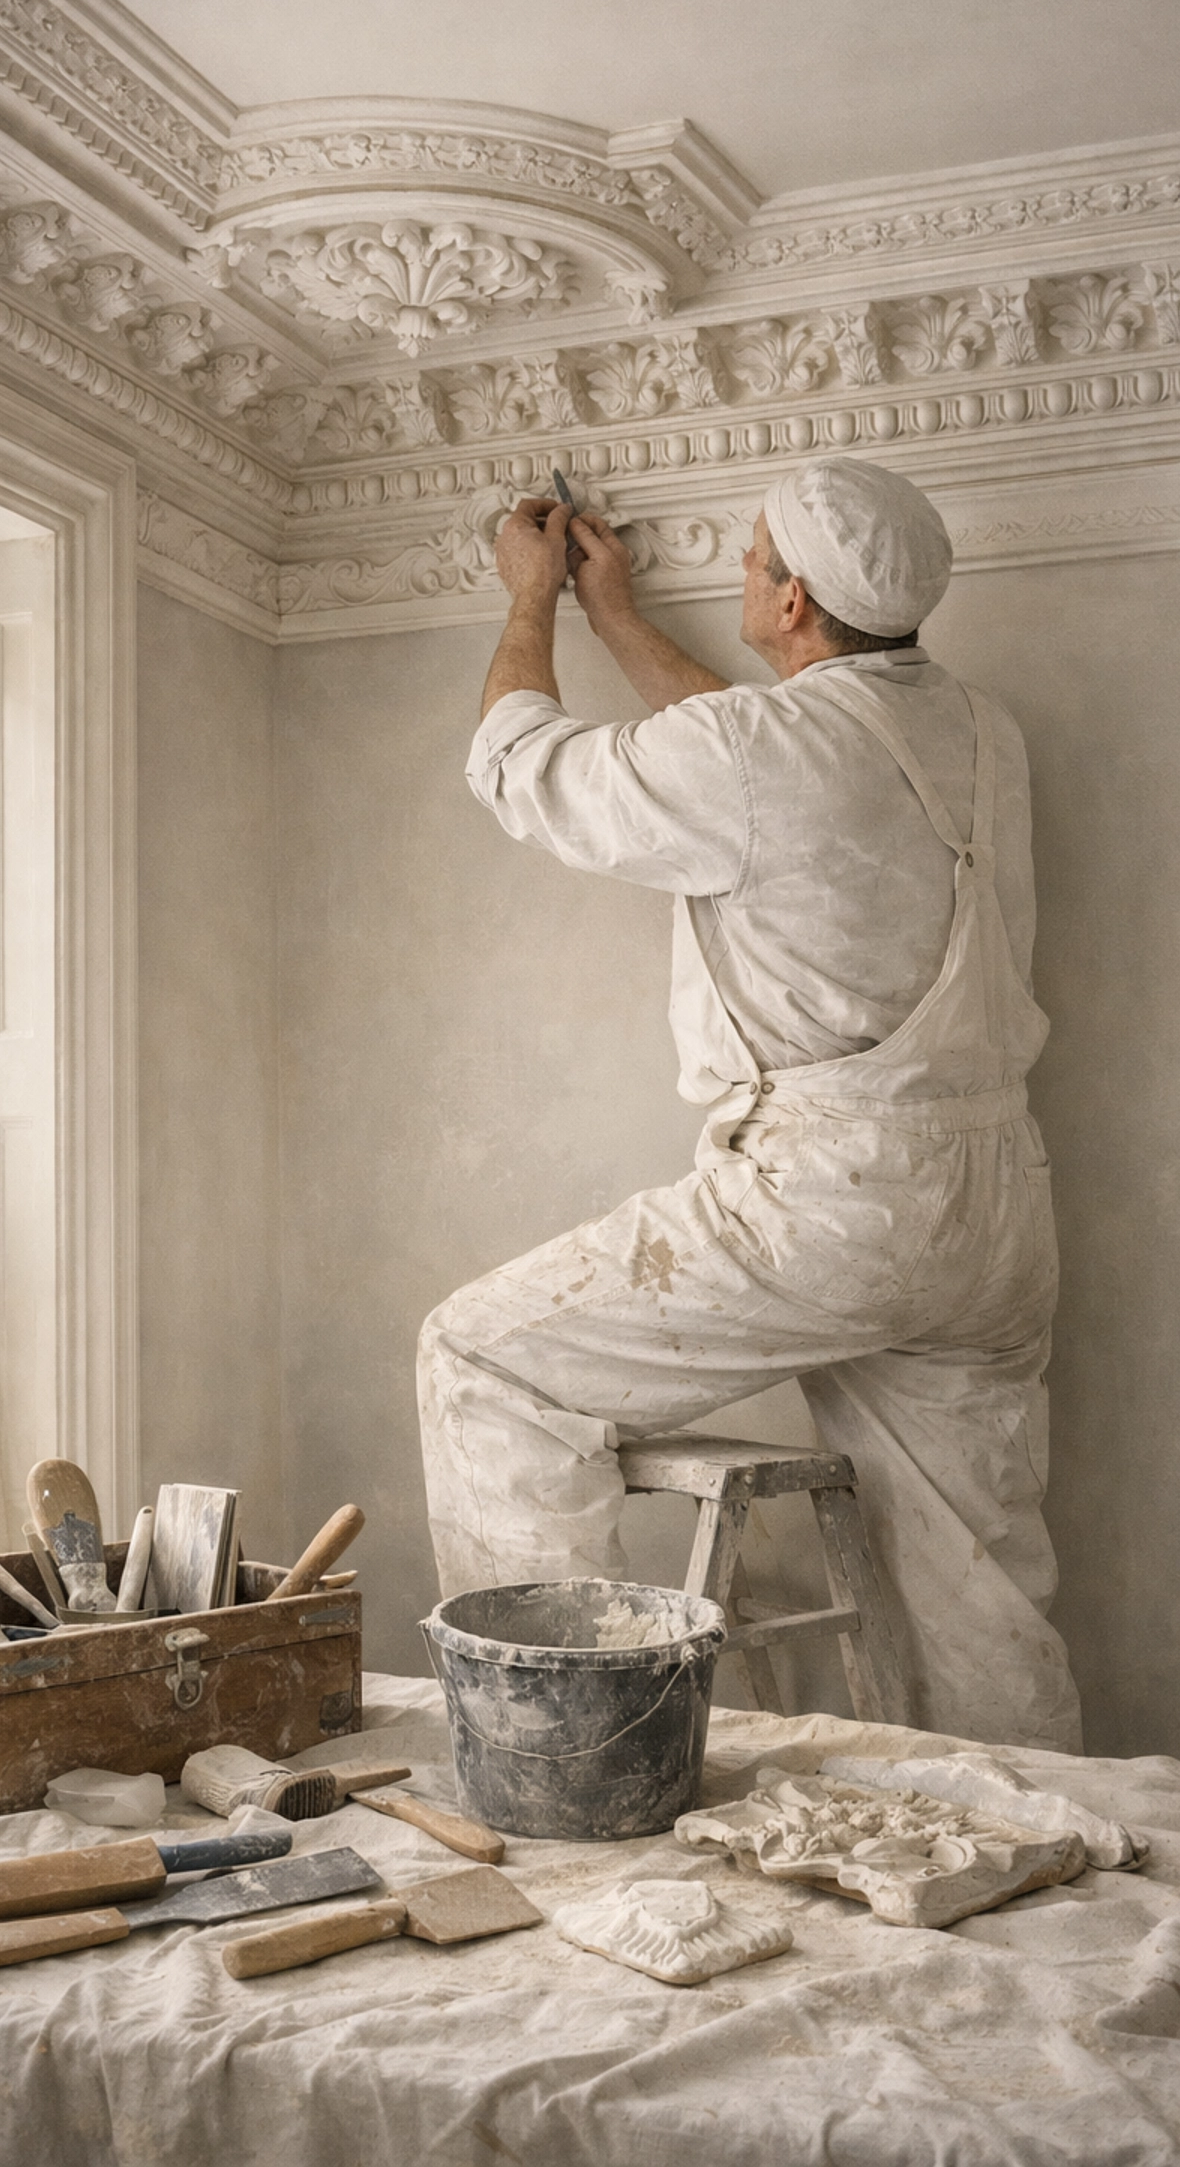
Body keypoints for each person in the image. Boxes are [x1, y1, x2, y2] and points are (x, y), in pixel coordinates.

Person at [416, 456, 1082, 1755]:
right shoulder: (979, 734)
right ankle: (1037, 1821)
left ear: (791, 604)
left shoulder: (762, 751)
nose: (740, 568)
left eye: (755, 556)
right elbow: (762, 762)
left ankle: (567, 1760)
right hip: (998, 1214)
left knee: (482, 1361)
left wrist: (531, 598)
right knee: (975, 1588)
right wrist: (620, 617)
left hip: (836, 1205)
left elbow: (519, 765)